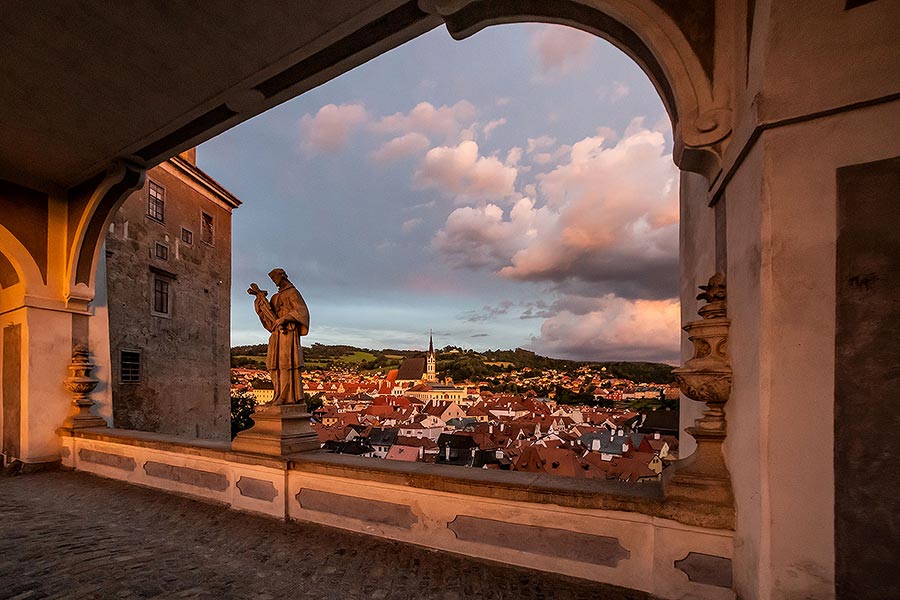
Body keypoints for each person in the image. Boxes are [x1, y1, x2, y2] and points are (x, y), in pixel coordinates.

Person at [247, 268, 309, 405]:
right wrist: (260, 300)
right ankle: (277, 395)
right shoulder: (275, 297)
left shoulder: (293, 293)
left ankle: (286, 396)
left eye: (275, 278)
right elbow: (269, 318)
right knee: (273, 365)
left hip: (288, 333)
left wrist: (285, 318)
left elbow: (302, 311)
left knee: (285, 364)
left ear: (282, 276)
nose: (274, 282)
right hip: (276, 335)